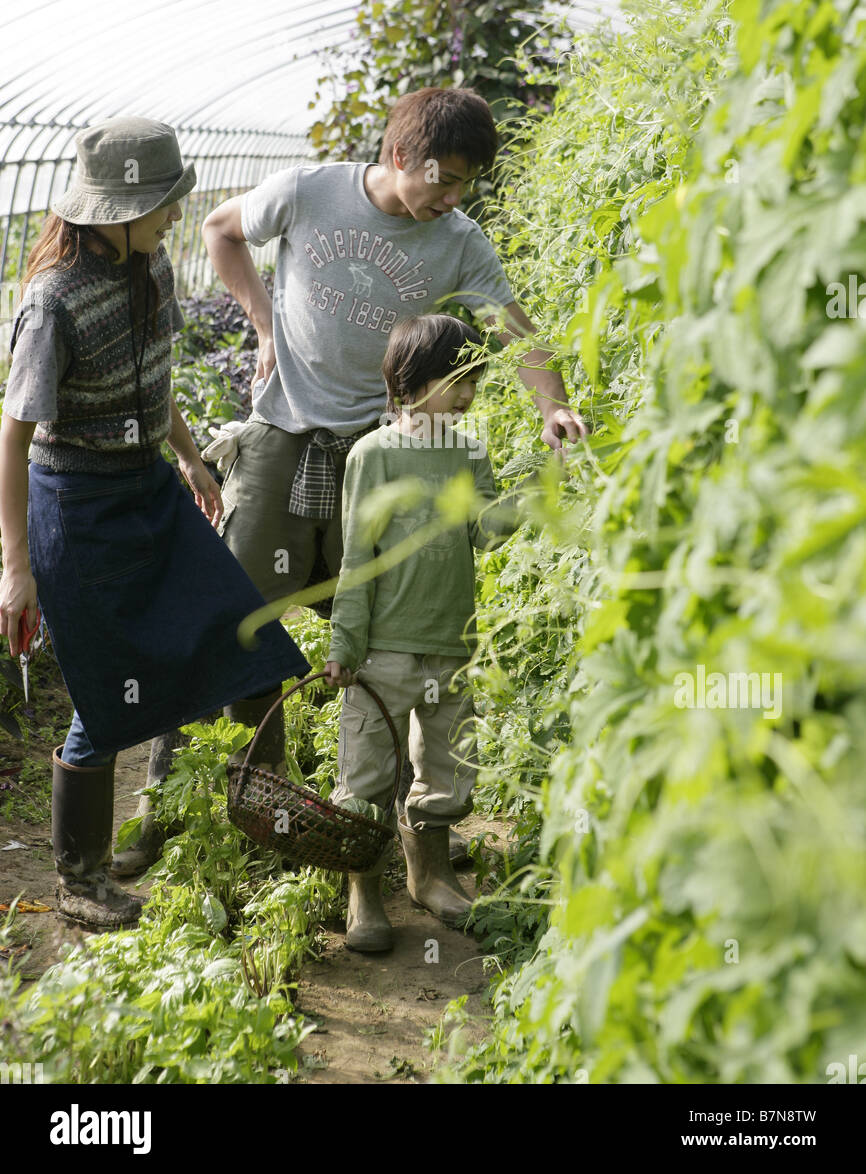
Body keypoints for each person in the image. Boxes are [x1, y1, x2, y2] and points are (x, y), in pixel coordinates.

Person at [195, 87, 587, 867]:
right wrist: (265, 323)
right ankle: (251, 788)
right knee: (244, 606)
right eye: (442, 181)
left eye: (465, 187)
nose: (450, 200)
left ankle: (387, 817)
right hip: (284, 427)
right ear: (400, 155)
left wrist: (555, 408)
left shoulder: (459, 239)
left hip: (382, 445)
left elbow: (512, 327)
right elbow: (218, 229)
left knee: (384, 627)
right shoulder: (309, 192)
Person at [0, 118, 310, 929]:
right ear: (115, 210)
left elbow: (154, 377)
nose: (177, 214)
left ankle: (262, 819)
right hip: (79, 508)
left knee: (249, 638)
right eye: (164, 203)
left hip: (151, 492)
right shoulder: (51, 305)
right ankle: (80, 879)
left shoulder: (152, 266)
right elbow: (15, 434)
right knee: (101, 697)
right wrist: (15, 565)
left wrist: (190, 458)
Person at [323, 314, 528, 952]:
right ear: (412, 380)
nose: (468, 392)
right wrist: (344, 647)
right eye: (456, 378)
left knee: (444, 764)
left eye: (476, 378)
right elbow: (356, 559)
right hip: (382, 649)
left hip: (450, 641)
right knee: (368, 772)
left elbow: (488, 531)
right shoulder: (373, 455)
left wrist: (541, 483)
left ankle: (430, 874)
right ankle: (365, 890)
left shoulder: (470, 449)